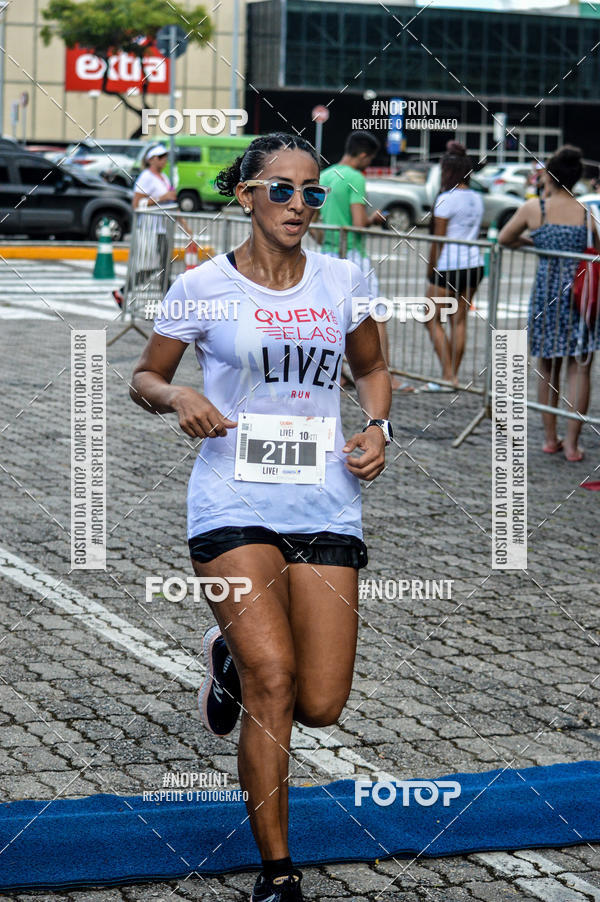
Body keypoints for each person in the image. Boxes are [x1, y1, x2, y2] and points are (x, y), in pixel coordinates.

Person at [129, 132, 392, 902]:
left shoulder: (346, 278)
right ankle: (278, 873)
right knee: (274, 679)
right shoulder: (205, 286)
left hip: (326, 501)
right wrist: (178, 396)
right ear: (244, 196)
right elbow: (146, 375)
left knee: (320, 704)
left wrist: (378, 427)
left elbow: (373, 369)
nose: (299, 205)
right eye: (280, 189)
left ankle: (226, 653)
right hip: (230, 499)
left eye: (311, 192)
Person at [498, 144, 600, 462]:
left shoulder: (535, 209)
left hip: (547, 295)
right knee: (580, 368)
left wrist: (535, 241)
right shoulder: (586, 213)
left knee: (547, 366)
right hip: (581, 297)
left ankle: (550, 438)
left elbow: (504, 238)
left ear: (550, 176)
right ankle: (572, 444)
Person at [317, 131, 407, 389]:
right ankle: (383, 376)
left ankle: (338, 373)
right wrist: (373, 219)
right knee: (377, 315)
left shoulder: (326, 175)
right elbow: (358, 224)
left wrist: (325, 238)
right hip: (353, 256)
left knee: (334, 317)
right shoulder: (355, 177)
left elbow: (313, 221)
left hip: (328, 251)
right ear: (364, 155)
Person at [425, 141, 484, 390]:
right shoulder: (477, 198)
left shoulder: (446, 199)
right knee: (458, 321)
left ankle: (448, 376)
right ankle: (453, 376)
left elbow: (438, 241)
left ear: (447, 171)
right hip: (475, 264)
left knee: (431, 318)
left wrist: (430, 268)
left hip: (449, 265)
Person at [113, 144, 180, 307]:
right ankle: (167, 304)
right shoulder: (145, 177)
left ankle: (123, 291)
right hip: (149, 229)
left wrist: (185, 226)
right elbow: (137, 204)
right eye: (161, 157)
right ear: (151, 160)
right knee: (159, 266)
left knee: (163, 266)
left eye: (165, 157)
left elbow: (171, 202)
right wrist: (161, 198)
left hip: (163, 228)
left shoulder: (164, 178)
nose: (164, 161)